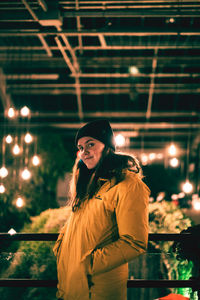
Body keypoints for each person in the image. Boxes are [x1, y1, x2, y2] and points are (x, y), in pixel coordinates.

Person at [53, 119, 150, 300]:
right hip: (71, 287)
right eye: (81, 147)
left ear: (107, 146)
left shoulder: (128, 185)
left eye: (91, 144)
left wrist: (88, 264)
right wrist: (61, 248)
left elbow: (134, 242)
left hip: (98, 291)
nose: (85, 152)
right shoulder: (89, 186)